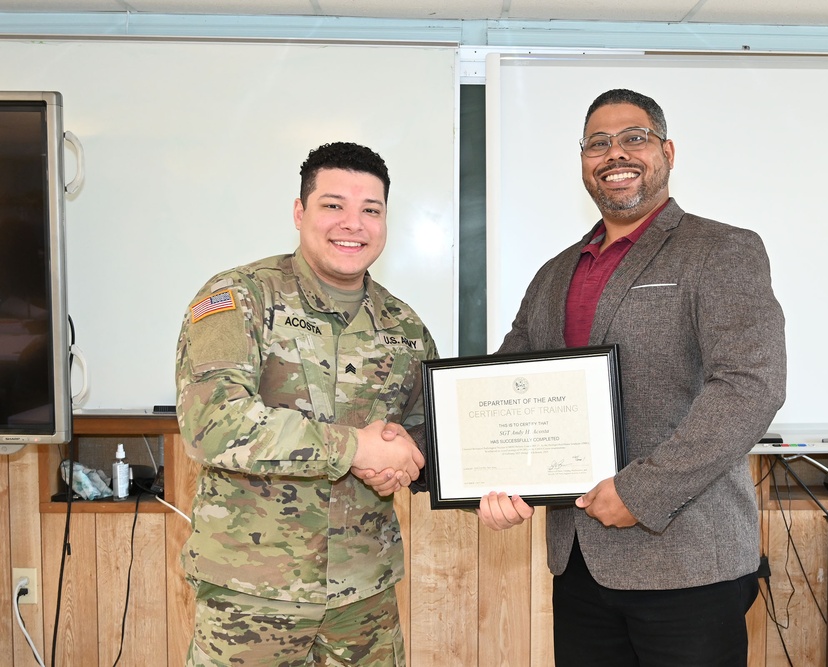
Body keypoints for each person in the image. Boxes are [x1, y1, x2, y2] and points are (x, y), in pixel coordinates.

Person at [477, 89, 787, 666]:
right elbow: (507, 386)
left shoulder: (721, 250)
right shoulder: (554, 273)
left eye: (633, 138)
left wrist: (641, 492)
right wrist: (484, 476)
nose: (614, 154)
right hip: (578, 562)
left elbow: (749, 385)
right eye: (598, 144)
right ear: (583, 163)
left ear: (666, 152)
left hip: (688, 562)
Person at [175, 141, 437, 666]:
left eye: (371, 210)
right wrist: (355, 449)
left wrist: (407, 462)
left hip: (364, 594)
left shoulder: (405, 327)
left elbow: (425, 433)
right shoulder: (241, 298)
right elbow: (214, 423)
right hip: (252, 593)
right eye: (333, 205)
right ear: (300, 212)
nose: (353, 224)